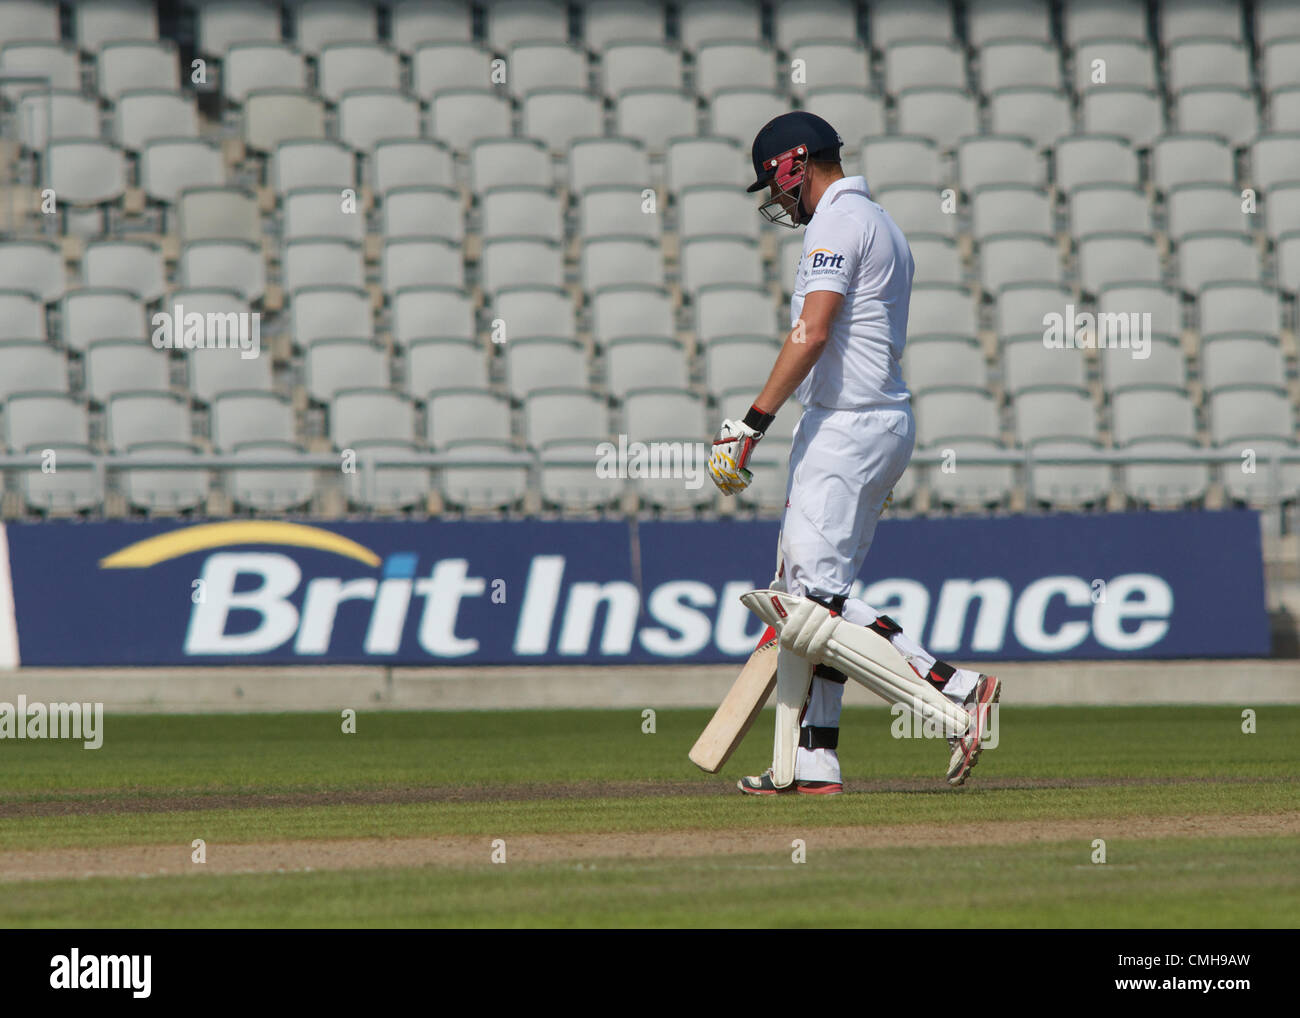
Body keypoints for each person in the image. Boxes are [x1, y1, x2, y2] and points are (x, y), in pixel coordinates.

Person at [705, 111, 1000, 796]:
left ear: (795, 164)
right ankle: (812, 760)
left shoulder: (837, 222)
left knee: (811, 606)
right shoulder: (882, 221)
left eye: (778, 186)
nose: (780, 202)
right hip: (878, 423)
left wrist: (750, 425)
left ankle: (957, 693)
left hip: (847, 428)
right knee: (817, 600)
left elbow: (811, 332)